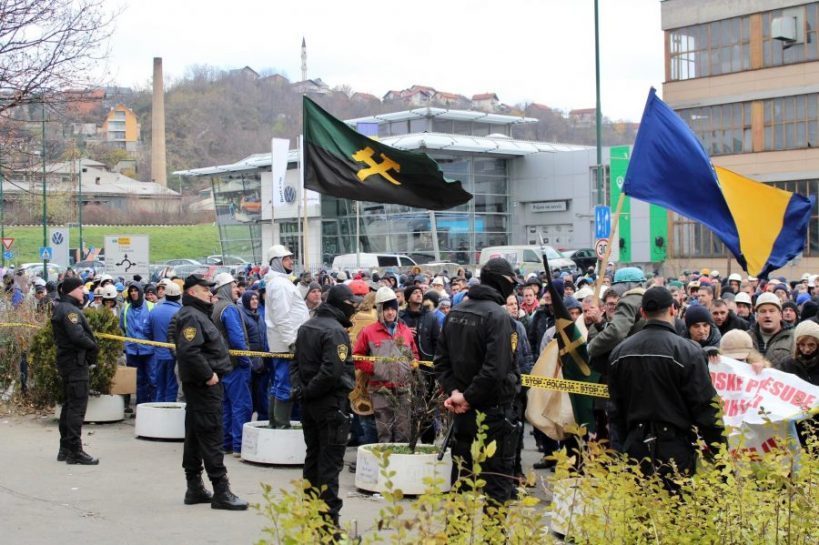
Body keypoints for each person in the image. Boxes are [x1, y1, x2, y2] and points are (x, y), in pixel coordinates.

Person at [608, 287, 724, 490]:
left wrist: (619, 450)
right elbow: (705, 406)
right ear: (673, 309)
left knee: (640, 514)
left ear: (642, 313)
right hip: (675, 448)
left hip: (636, 446)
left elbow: (615, 409)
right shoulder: (688, 351)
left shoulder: (620, 352)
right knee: (678, 514)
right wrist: (721, 453)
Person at [435, 257, 520, 506]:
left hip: (463, 415)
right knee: (496, 490)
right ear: (502, 282)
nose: (513, 289)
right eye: (511, 283)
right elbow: (495, 370)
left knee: (461, 484)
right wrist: (466, 397)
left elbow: (441, 363)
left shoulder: (455, 313)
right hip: (493, 416)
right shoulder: (499, 318)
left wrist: (457, 393)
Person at [172, 274, 247, 510]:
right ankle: (221, 491)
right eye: (205, 290)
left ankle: (194, 487)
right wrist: (208, 374)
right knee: (212, 435)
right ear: (192, 293)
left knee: (195, 435)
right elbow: (188, 351)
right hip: (205, 387)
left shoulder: (195, 314)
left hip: (200, 386)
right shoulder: (193, 316)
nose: (210, 293)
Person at [291, 284, 359, 531]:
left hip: (310, 403)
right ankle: (328, 524)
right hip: (329, 404)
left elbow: (295, 364)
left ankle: (310, 514)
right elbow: (332, 371)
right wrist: (309, 391)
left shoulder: (307, 326)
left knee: (313, 458)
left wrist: (302, 391)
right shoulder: (334, 331)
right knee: (329, 464)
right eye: (352, 304)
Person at [353, 286, 418, 443]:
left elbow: (415, 353)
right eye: (386, 309)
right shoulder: (369, 332)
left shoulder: (405, 331)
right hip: (380, 389)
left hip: (403, 389)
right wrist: (374, 368)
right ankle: (385, 465)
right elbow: (357, 357)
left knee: (403, 432)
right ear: (380, 310)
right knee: (384, 432)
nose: (390, 313)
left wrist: (413, 364)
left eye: (393, 309)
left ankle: (400, 465)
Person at [53, 277, 100, 465]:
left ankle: (65, 448)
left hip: (69, 363)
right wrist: (93, 346)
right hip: (75, 363)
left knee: (69, 405)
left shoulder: (65, 308)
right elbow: (77, 335)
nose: (83, 291)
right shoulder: (69, 310)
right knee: (76, 408)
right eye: (81, 288)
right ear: (72, 290)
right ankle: (75, 451)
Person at [264, 245, 310, 428]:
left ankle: (276, 423)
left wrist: (304, 286)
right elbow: (282, 316)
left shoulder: (280, 282)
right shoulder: (279, 284)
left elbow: (292, 306)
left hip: (283, 342)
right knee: (284, 385)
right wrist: (291, 342)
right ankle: (281, 425)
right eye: (287, 259)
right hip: (286, 344)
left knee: (279, 384)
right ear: (277, 262)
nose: (292, 261)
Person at [211, 272, 253, 456]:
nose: (238, 290)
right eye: (234, 286)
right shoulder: (229, 308)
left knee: (226, 406)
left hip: (221, 364)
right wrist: (246, 360)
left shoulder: (215, 307)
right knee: (240, 406)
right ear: (226, 288)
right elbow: (237, 339)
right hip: (235, 365)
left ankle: (226, 443)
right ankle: (238, 445)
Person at [779, 320, 819, 445]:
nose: (806, 349)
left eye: (811, 345)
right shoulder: (787, 364)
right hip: (796, 425)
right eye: (802, 345)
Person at [120, 282, 156, 408]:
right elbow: (122, 328)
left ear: (141, 292)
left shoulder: (152, 307)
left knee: (152, 379)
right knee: (138, 381)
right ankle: (141, 406)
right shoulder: (125, 310)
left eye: (136, 290)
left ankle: (153, 406)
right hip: (132, 351)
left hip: (149, 351)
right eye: (131, 291)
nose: (133, 293)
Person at [147, 281, 183, 402]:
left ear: (165, 295)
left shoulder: (154, 311)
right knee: (172, 386)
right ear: (179, 296)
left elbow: (147, 332)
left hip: (158, 355)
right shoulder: (181, 312)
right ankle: (170, 412)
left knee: (159, 386)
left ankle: (159, 412)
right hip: (175, 356)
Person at [239, 290, 270, 421]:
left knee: (262, 394)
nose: (255, 301)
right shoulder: (243, 316)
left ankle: (263, 421)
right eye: (251, 299)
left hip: (262, 362)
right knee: (249, 396)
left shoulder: (260, 316)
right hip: (250, 362)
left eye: (256, 299)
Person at [750, 292, 794, 369]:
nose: (767, 315)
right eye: (763, 311)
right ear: (756, 316)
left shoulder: (793, 338)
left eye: (772, 311)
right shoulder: (746, 337)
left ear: (780, 315)